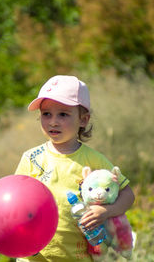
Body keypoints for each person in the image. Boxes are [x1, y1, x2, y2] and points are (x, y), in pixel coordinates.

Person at [15, 75, 135, 262]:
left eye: (63, 114)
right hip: (34, 257)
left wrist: (106, 212)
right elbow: (15, 204)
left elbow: (128, 195)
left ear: (83, 120)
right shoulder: (31, 158)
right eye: (46, 114)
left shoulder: (94, 160)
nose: (53, 121)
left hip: (77, 257)